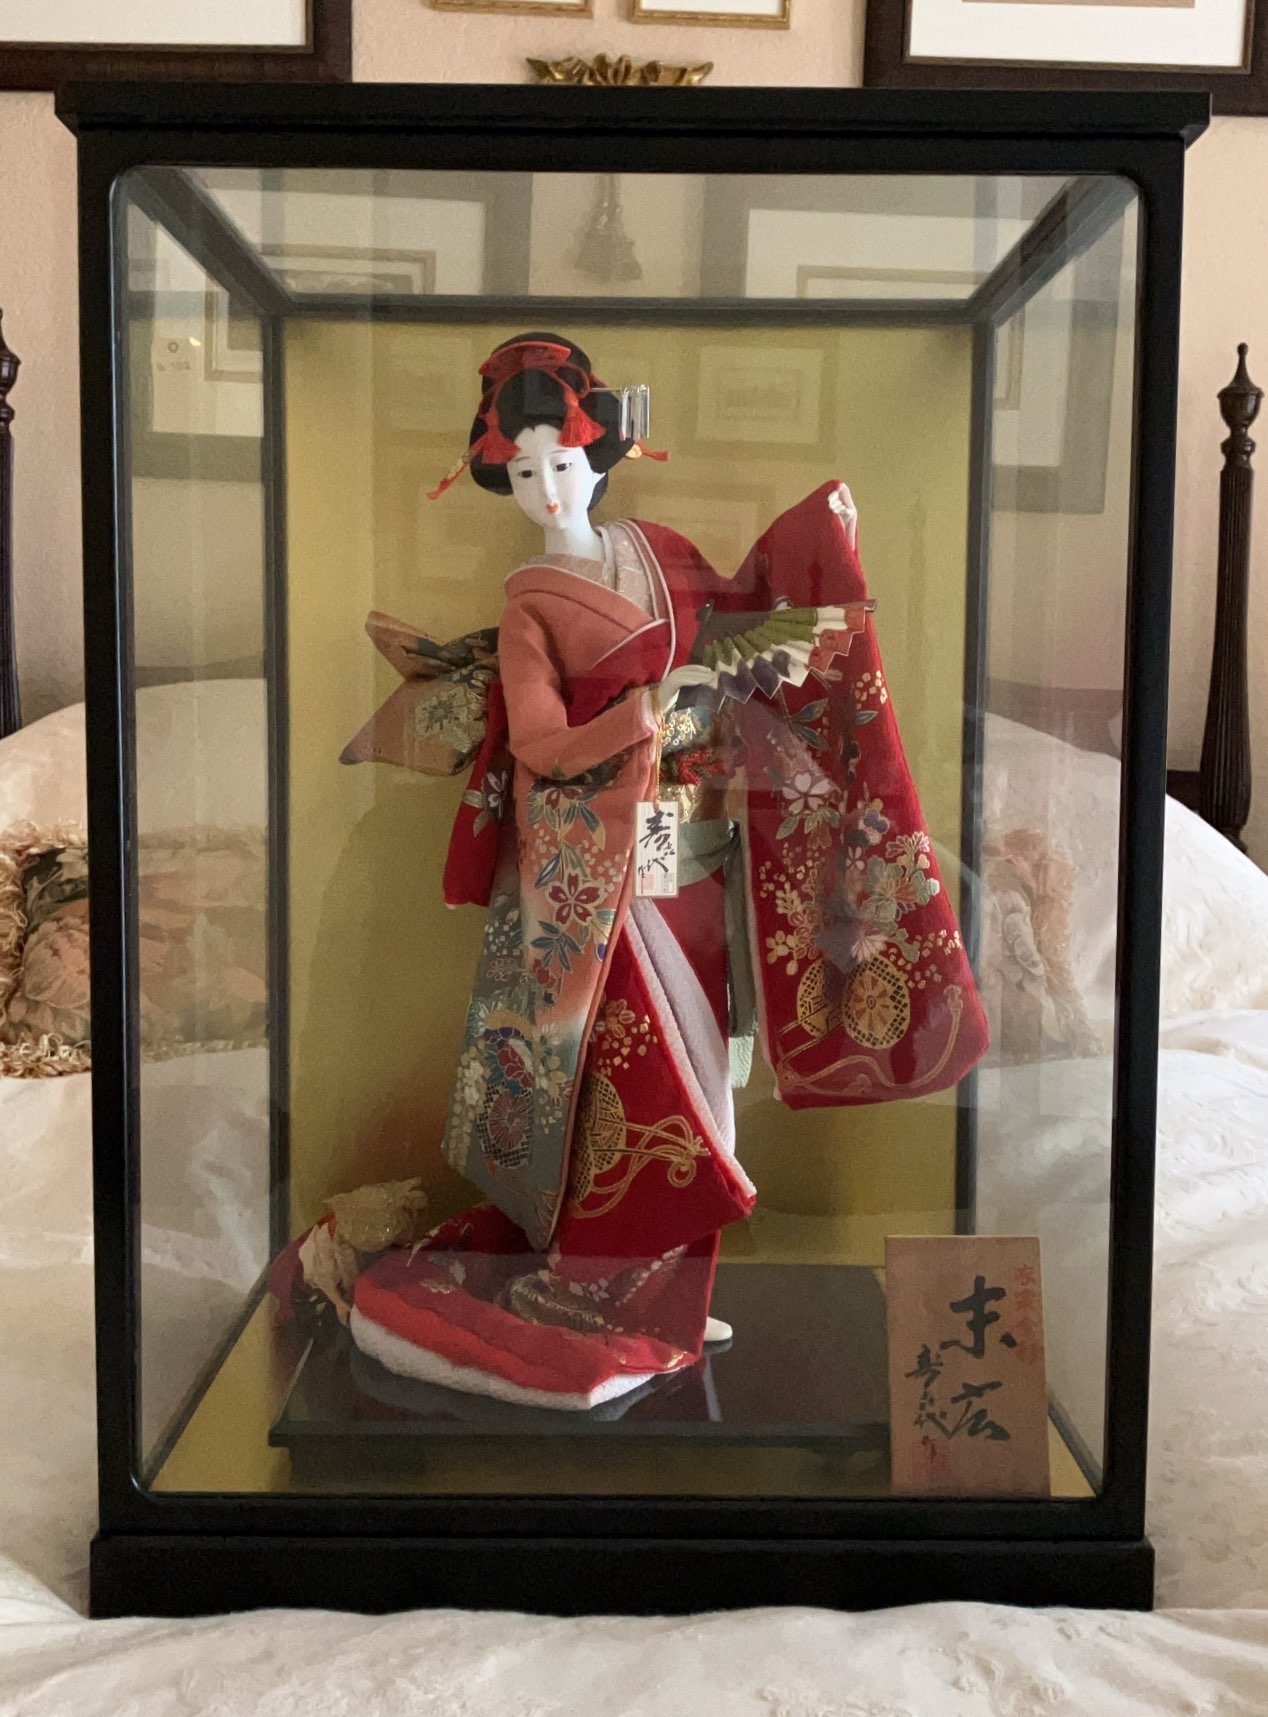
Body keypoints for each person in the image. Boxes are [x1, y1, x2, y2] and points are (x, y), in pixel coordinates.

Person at [345, 333, 990, 1411]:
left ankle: (685, 1287)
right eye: (523, 471)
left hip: (695, 837)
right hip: (601, 859)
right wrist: (645, 712)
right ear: (501, 478)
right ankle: (624, 1288)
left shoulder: (658, 550)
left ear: (599, 456)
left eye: (562, 463)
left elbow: (740, 620)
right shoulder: (529, 601)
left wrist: (815, 554)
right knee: (651, 1063)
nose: (548, 489)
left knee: (714, 1050)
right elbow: (539, 742)